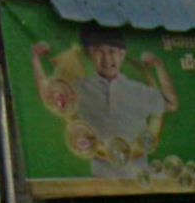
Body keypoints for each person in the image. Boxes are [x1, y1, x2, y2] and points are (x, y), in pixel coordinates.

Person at [32, 23, 178, 178]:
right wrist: (35, 60)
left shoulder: (139, 90)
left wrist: (159, 67)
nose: (106, 59)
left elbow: (171, 103)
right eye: (99, 51)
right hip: (101, 179)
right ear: (91, 54)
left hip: (139, 178)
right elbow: (49, 95)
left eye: (112, 51)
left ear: (122, 54)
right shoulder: (79, 89)